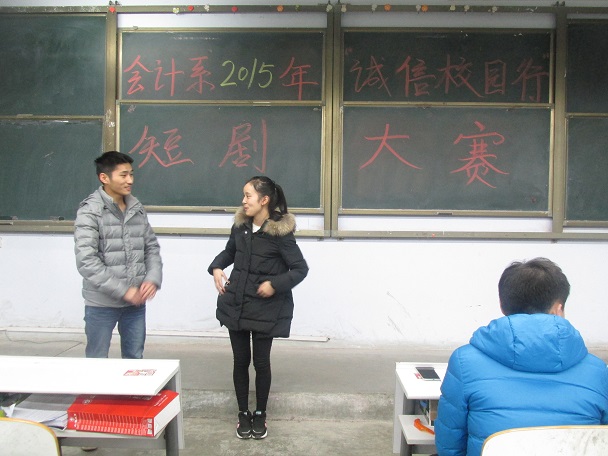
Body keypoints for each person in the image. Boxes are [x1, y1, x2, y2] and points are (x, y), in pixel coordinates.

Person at [435, 257, 608, 456]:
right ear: (558, 309)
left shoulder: (464, 362)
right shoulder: (598, 371)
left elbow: (449, 445)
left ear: (502, 305)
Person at [208, 175, 308, 440]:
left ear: (264, 200)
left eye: (248, 195)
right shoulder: (241, 226)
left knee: (261, 362)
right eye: (244, 195)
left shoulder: (279, 232)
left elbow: (300, 269)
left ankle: (261, 413)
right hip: (236, 304)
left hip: (265, 309)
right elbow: (230, 252)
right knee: (240, 361)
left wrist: (275, 284)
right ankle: (243, 413)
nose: (243, 201)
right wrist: (216, 267)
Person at [74, 151, 162, 360]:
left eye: (131, 174)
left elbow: (151, 247)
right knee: (97, 359)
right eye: (123, 175)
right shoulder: (90, 211)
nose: (130, 180)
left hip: (134, 304)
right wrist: (124, 291)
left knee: (134, 359)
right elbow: (87, 261)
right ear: (104, 178)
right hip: (101, 304)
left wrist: (153, 278)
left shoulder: (135, 208)